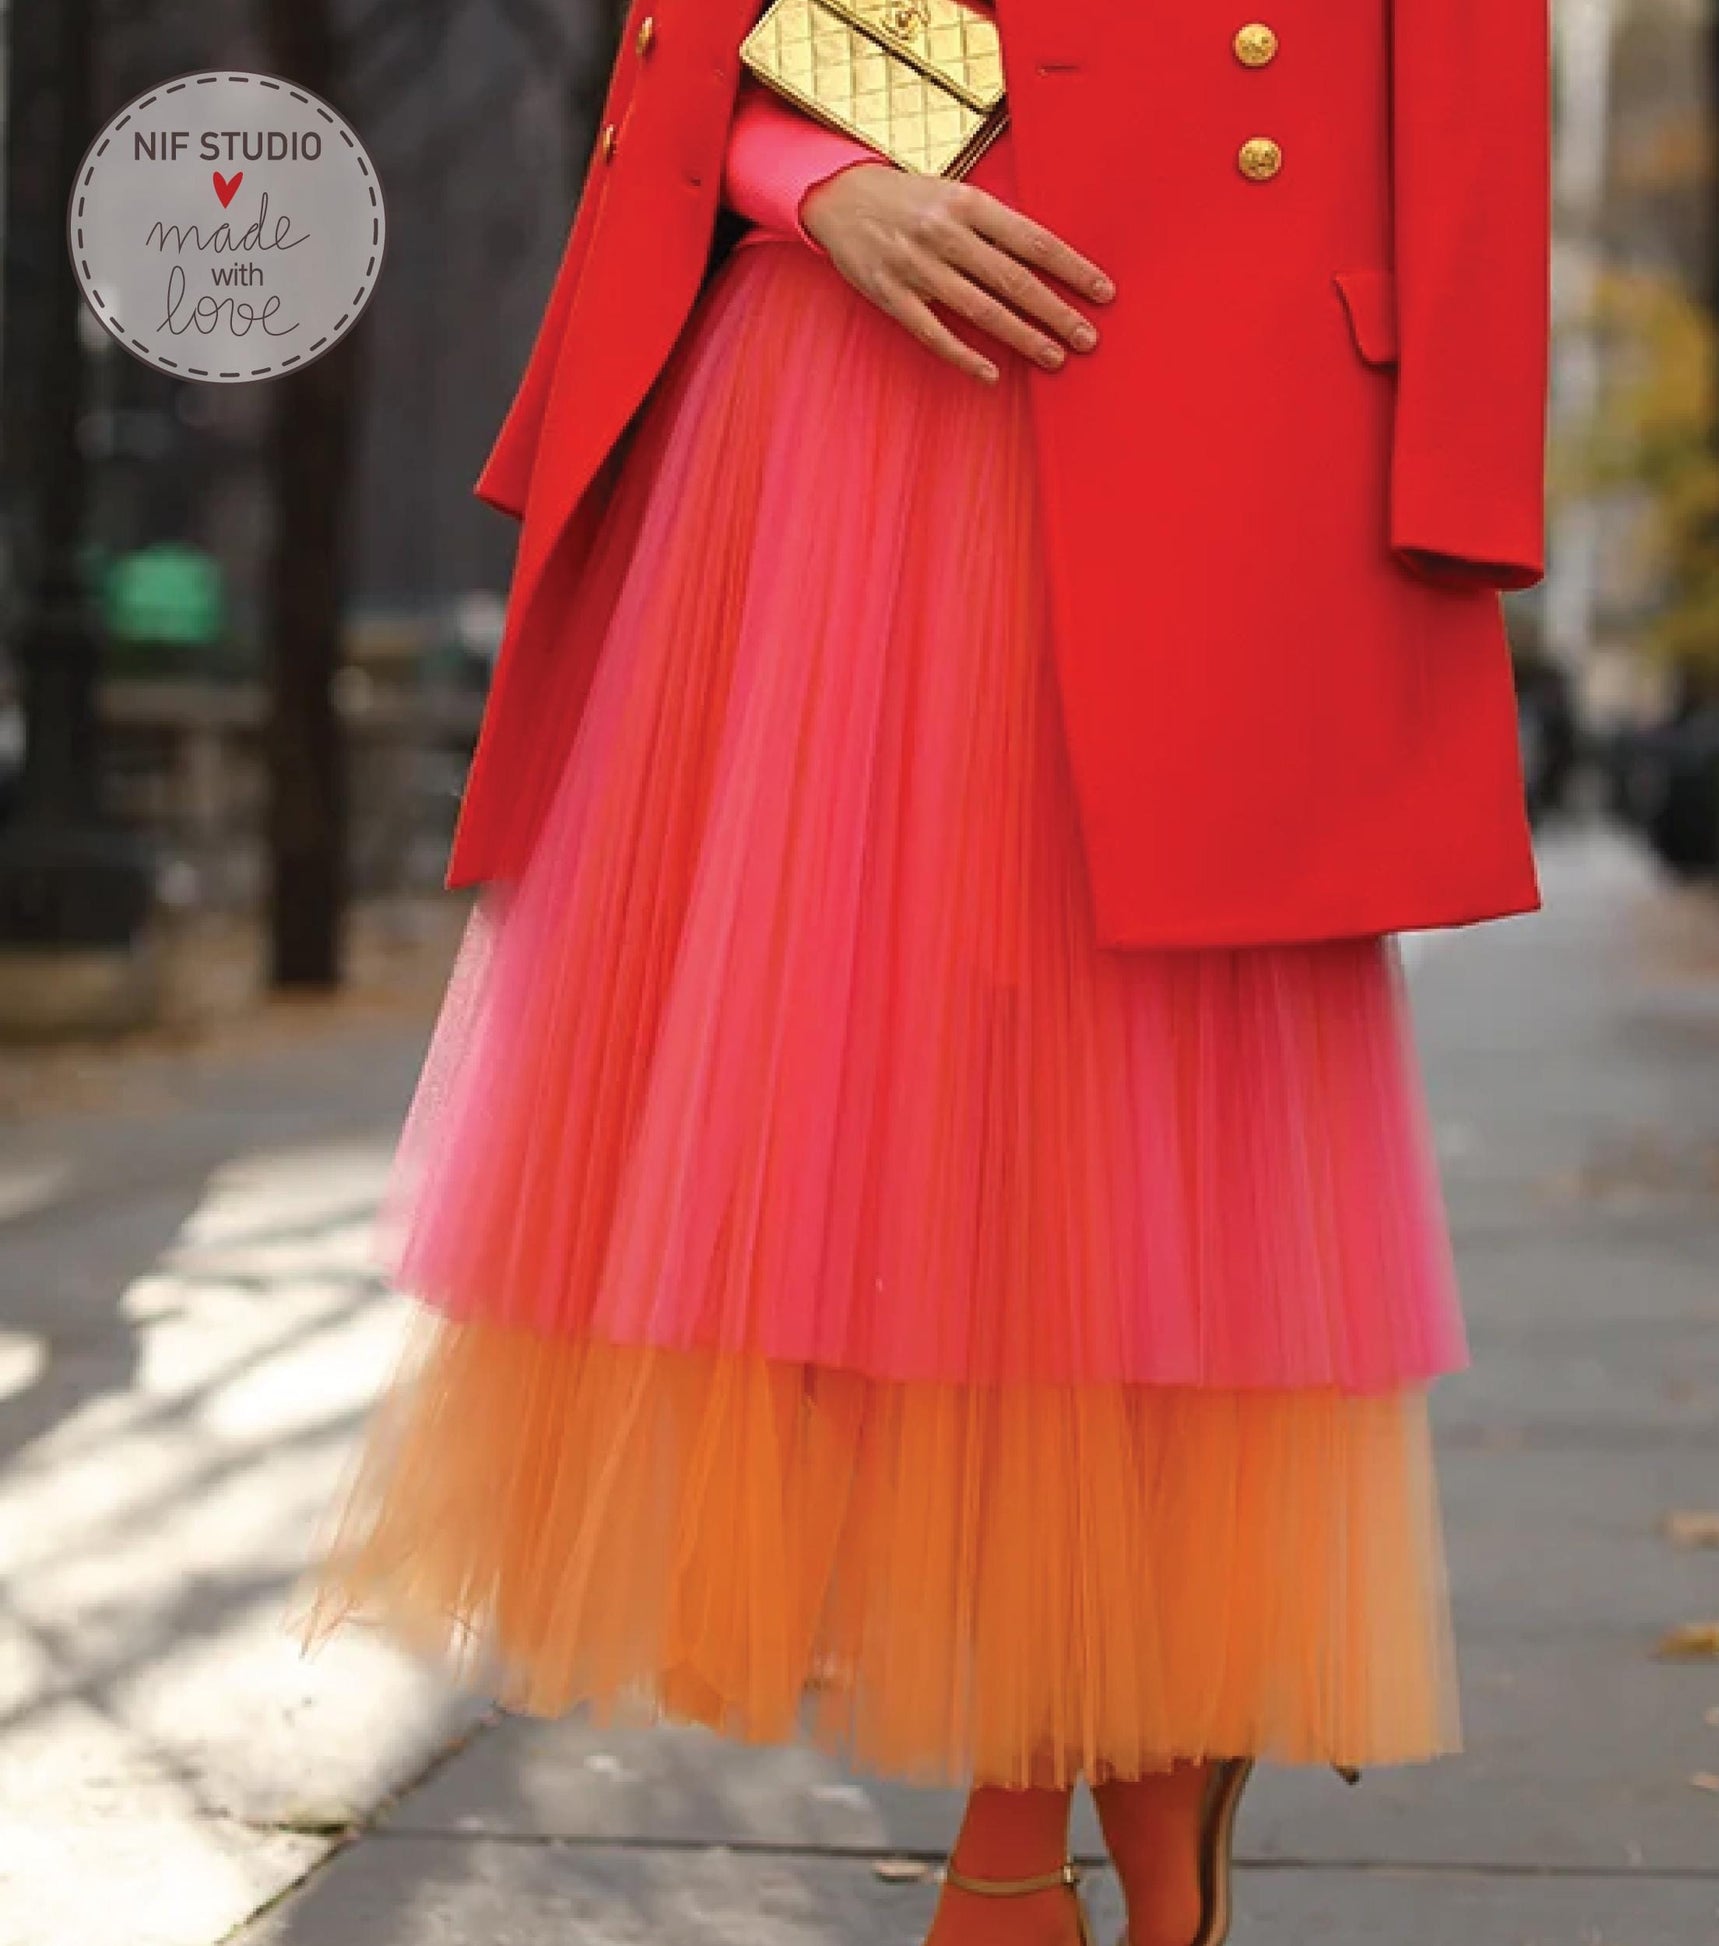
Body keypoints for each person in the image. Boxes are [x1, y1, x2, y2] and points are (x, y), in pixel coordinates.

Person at [306, 4, 1550, 1942]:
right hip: (833, 418)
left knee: (1158, 1130)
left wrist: (1451, 479)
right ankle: (1089, 1783)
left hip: (1215, 387)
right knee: (878, 1148)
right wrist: (819, 188)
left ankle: (1037, 1815)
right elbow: (692, 39)